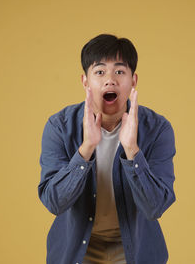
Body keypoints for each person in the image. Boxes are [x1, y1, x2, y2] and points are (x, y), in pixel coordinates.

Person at [38, 33, 177, 264]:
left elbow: (155, 207)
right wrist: (86, 149)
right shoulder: (59, 126)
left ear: (133, 81)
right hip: (76, 249)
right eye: (100, 72)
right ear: (85, 81)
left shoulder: (157, 128)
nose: (109, 80)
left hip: (136, 249)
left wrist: (132, 151)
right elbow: (54, 202)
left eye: (120, 72)